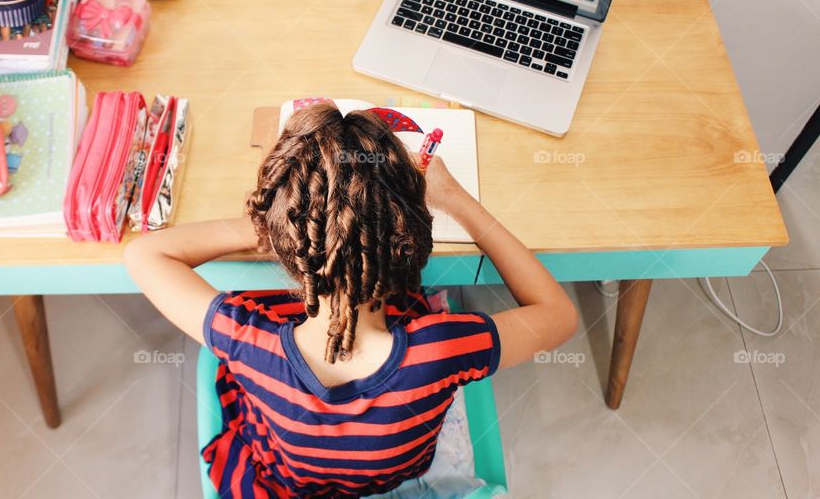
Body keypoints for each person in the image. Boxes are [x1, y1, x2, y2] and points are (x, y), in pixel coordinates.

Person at [124, 103, 578, 497]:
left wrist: (288, 222)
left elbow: (145, 253)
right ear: (410, 235)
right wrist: (457, 200)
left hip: (287, 479)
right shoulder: (443, 350)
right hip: (399, 473)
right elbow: (558, 315)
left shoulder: (247, 342)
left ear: (287, 240)